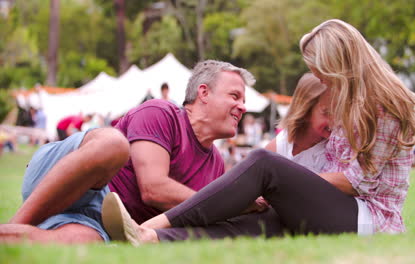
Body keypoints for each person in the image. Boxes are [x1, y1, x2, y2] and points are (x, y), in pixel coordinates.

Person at [101, 19, 415, 245]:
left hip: (368, 219)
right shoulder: (351, 101)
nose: (321, 81)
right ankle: (149, 238)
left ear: (338, 62)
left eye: (322, 73)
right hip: (335, 210)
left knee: (263, 165)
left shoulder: (385, 104)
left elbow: (359, 182)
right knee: (247, 226)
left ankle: (151, 224)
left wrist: (283, 185)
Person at [0, 60, 255, 244]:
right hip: (64, 176)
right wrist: (223, 200)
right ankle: (17, 222)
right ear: (203, 93)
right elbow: (153, 188)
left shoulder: (216, 165)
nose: (242, 107)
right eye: (235, 96)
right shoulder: (161, 113)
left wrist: (238, 202)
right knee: (114, 145)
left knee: (84, 243)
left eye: (243, 101)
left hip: (99, 221)